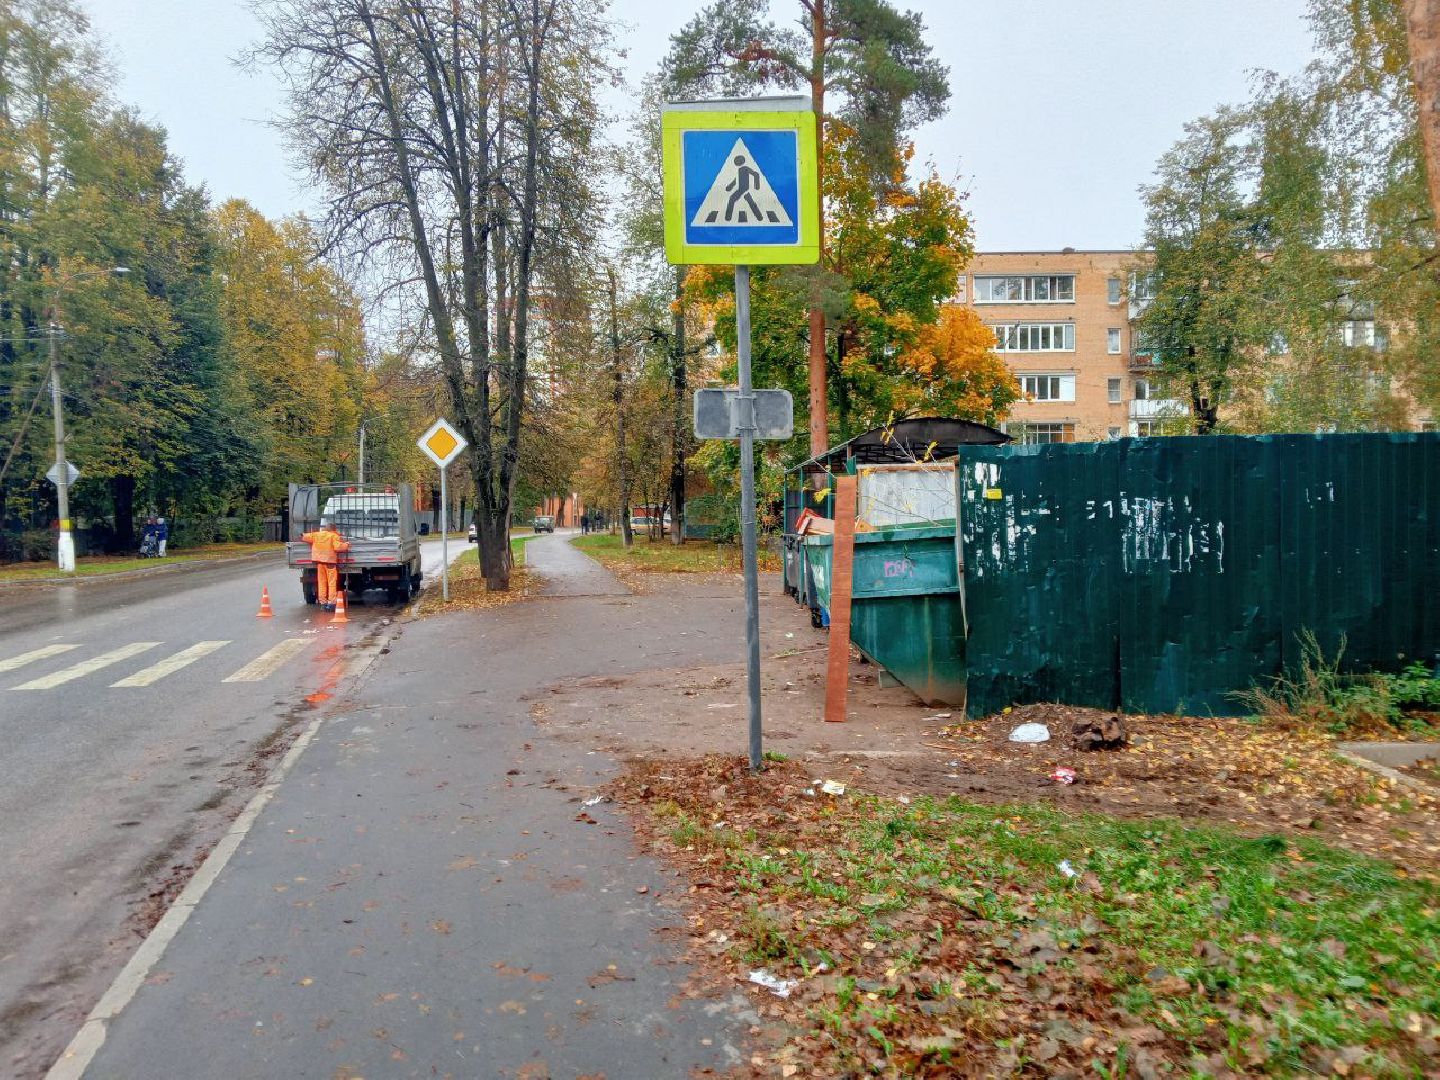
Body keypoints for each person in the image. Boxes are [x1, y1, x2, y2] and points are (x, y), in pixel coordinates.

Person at [301, 518, 350, 612]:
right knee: (331, 583)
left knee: (322, 582)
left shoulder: (317, 535)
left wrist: (302, 535)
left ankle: (323, 603)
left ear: (326, 528)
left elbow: (305, 536)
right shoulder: (333, 536)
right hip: (330, 563)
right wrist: (346, 545)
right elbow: (337, 547)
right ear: (333, 529)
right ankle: (331, 603)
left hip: (320, 563)